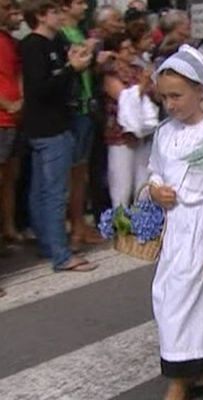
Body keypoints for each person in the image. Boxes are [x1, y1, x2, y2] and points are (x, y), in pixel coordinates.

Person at [148, 44, 203, 400]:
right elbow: (154, 169)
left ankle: (181, 378)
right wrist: (155, 191)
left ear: (199, 91)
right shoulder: (164, 133)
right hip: (175, 229)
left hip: (201, 231)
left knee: (193, 302)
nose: (171, 104)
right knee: (167, 298)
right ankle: (195, 364)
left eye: (178, 96)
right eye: (165, 97)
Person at [21, 0, 95, 271]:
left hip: (60, 122)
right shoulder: (31, 45)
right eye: (54, 11)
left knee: (43, 189)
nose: (59, 15)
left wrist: (79, 60)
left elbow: (67, 71)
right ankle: (61, 255)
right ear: (40, 16)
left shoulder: (55, 42)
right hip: (48, 126)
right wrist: (70, 70)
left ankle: (48, 244)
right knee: (53, 193)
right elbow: (40, 89)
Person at [59, 0, 105, 250]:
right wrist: (84, 51)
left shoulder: (81, 31)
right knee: (71, 173)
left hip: (88, 107)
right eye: (79, 2)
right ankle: (73, 228)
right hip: (73, 111)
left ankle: (79, 224)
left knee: (81, 173)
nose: (85, 7)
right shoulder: (62, 34)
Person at [102, 32, 155, 207]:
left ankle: (141, 224)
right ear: (115, 51)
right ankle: (119, 226)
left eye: (131, 47)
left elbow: (154, 94)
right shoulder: (110, 73)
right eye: (126, 48)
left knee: (142, 183)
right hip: (120, 135)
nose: (131, 50)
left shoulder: (139, 70)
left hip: (143, 134)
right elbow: (122, 96)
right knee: (121, 185)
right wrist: (142, 86)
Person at [0, 0, 22, 245]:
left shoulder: (9, 41)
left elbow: (17, 73)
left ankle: (8, 229)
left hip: (13, 120)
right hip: (3, 117)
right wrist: (7, 104)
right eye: (6, 7)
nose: (12, 13)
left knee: (9, 179)